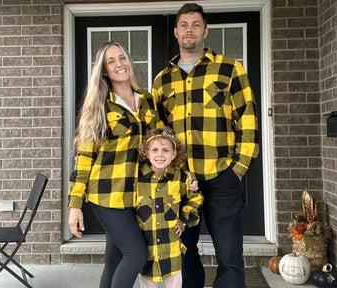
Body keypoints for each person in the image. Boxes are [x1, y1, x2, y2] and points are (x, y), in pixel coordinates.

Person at [151, 3, 259, 288]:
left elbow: (247, 119)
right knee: (184, 255)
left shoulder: (229, 69)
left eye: (196, 25)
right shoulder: (162, 80)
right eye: (184, 25)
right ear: (176, 32)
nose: (190, 30)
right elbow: (157, 133)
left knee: (229, 256)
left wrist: (238, 169)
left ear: (205, 31)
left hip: (221, 176)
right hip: (181, 181)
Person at [67, 42, 163, 288]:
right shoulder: (99, 106)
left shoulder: (148, 101)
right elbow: (84, 156)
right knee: (136, 255)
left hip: (136, 194)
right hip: (106, 194)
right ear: (104, 71)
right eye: (111, 61)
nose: (119, 64)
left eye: (122, 58)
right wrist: (75, 205)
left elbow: (160, 145)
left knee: (115, 258)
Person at [136, 127, 203, 288]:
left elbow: (195, 200)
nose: (160, 154)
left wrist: (184, 222)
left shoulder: (180, 177)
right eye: (155, 150)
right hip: (146, 248)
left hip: (171, 249)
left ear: (173, 154)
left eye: (166, 150)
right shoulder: (136, 179)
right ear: (146, 152)